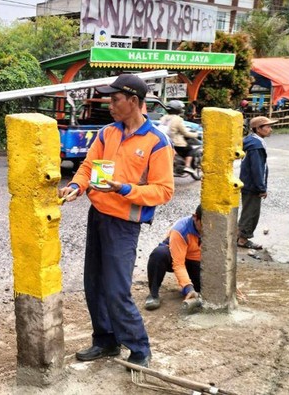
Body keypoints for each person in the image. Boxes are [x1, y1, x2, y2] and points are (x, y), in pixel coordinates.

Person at [58, 74, 174, 368]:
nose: (109, 104)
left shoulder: (156, 142)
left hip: (124, 223)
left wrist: (124, 188)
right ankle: (105, 340)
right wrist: (76, 186)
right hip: (97, 216)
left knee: (117, 288)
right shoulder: (107, 133)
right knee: (94, 283)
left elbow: (164, 190)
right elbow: (86, 167)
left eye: (115, 99)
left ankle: (139, 347)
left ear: (134, 101)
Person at [145, 206, 202, 311]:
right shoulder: (180, 230)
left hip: (195, 261)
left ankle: (191, 288)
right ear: (195, 217)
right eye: (203, 225)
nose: (206, 230)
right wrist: (188, 288)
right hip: (174, 256)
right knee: (159, 254)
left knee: (202, 290)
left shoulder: (215, 229)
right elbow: (178, 264)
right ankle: (153, 294)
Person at [237, 116, 278, 250]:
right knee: (252, 213)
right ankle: (243, 240)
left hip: (247, 182)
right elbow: (257, 168)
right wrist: (261, 188)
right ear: (258, 129)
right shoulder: (256, 145)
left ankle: (240, 235)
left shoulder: (251, 141)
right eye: (267, 127)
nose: (270, 129)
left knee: (248, 210)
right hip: (252, 185)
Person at [159, 100, 199, 175]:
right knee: (190, 150)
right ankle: (187, 166)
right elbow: (185, 133)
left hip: (165, 141)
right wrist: (196, 134)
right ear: (178, 110)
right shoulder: (178, 119)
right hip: (176, 143)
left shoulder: (164, 118)